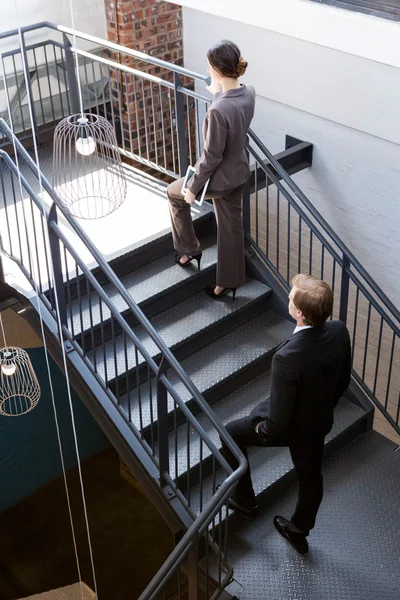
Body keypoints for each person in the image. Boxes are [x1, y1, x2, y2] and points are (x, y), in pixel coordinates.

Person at [220, 274, 352, 554]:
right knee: (311, 478)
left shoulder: (287, 357)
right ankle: (299, 531)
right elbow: (342, 380)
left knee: (230, 433)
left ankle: (245, 500)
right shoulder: (339, 331)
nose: (289, 298)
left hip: (290, 426)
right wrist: (324, 407)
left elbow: (276, 422)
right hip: (317, 423)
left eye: (291, 297)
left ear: (299, 313)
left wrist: (261, 431)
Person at [167, 40, 255, 300]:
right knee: (231, 229)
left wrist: (192, 189)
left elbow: (210, 157)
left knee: (174, 194)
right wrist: (217, 91)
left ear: (217, 70)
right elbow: (233, 106)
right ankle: (229, 281)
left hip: (220, 179)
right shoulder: (248, 92)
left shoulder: (217, 111)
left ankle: (189, 248)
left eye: (209, 67)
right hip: (239, 171)